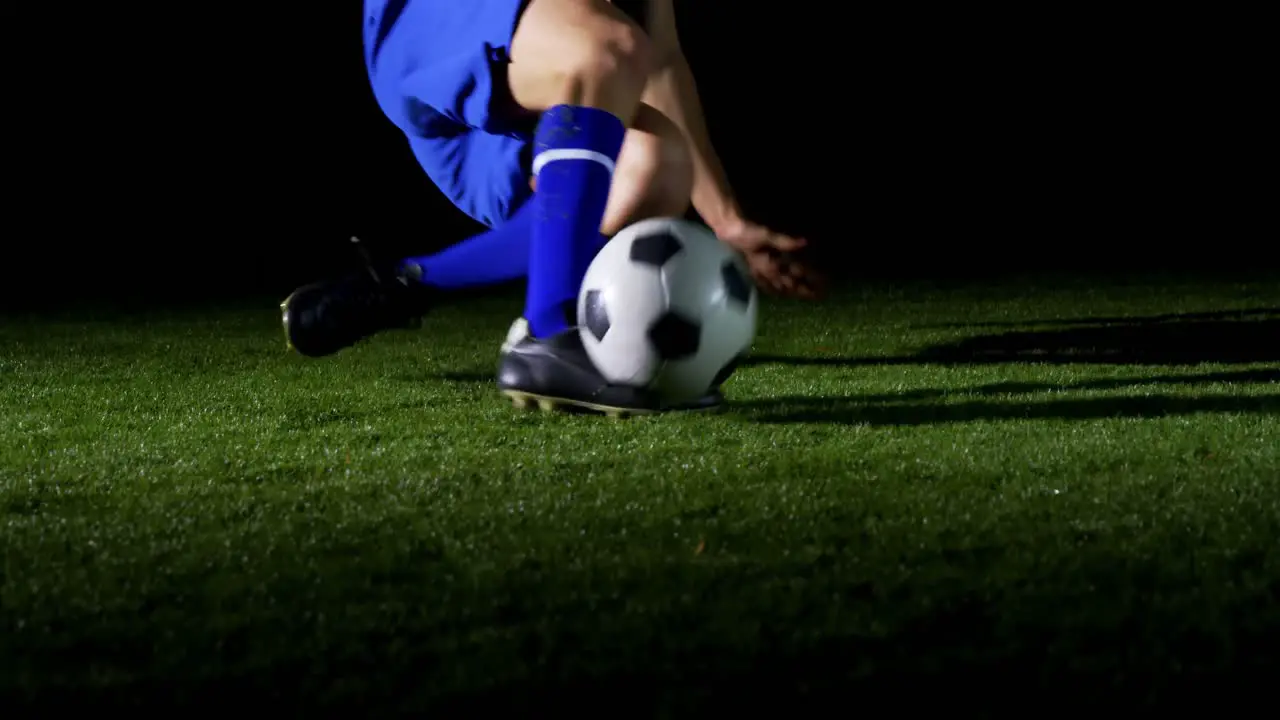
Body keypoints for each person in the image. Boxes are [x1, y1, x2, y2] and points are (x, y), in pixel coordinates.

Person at [281, 0, 823, 415]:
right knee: (606, 48)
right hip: (431, 28)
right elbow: (612, 47)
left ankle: (403, 285)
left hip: (522, 97)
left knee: (660, 163)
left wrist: (725, 218)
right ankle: (547, 330)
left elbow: (659, 59)